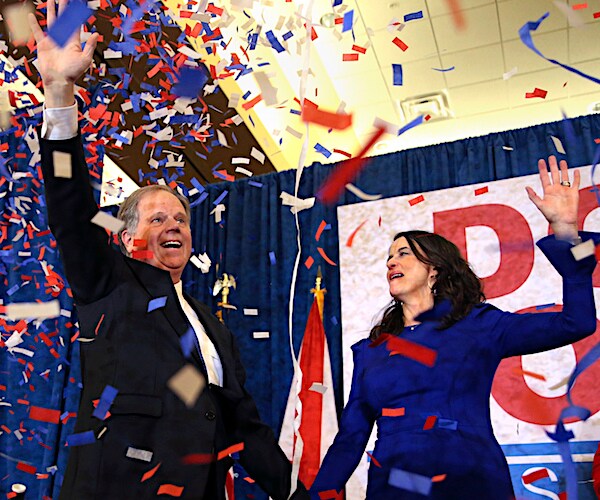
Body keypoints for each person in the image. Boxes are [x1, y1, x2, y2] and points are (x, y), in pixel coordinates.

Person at [28, 3, 309, 499]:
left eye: (180, 219)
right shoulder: (108, 284)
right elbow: (72, 211)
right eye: (157, 218)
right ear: (125, 235)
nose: (173, 225)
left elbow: (242, 425)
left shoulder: (212, 327)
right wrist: (58, 93)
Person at [310, 156, 598, 499]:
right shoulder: (370, 351)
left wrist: (567, 233)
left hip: (471, 482)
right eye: (389, 257)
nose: (391, 262)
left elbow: (575, 322)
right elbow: (351, 438)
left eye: (403, 253)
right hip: (397, 487)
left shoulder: (480, 325)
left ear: (434, 269)